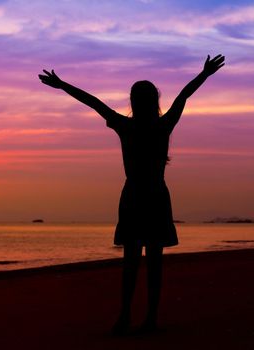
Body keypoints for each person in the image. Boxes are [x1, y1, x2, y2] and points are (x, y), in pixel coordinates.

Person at [38, 54, 225, 335]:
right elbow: (184, 96)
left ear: (133, 101)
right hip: (155, 195)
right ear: (155, 100)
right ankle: (148, 319)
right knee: (153, 263)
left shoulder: (126, 126)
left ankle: (126, 317)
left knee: (131, 261)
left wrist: (63, 85)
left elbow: (94, 103)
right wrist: (205, 73)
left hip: (136, 195)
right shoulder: (162, 126)